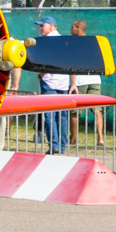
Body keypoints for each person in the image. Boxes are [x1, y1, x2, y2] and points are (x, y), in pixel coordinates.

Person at [36, 16, 75, 154]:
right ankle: (62, 146)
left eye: (43, 25)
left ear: (51, 26)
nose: (40, 28)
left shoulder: (47, 41)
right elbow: (71, 63)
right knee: (62, 116)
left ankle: (54, 145)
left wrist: (41, 75)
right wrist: (73, 83)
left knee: (50, 115)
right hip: (63, 83)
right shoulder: (65, 41)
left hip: (50, 81)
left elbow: (48, 60)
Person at [69, 19, 106, 147]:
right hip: (95, 80)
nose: (70, 29)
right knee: (96, 110)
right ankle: (100, 138)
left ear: (78, 28)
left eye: (72, 27)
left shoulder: (75, 44)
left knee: (74, 111)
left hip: (81, 81)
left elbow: (72, 64)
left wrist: (73, 83)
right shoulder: (94, 42)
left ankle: (73, 139)